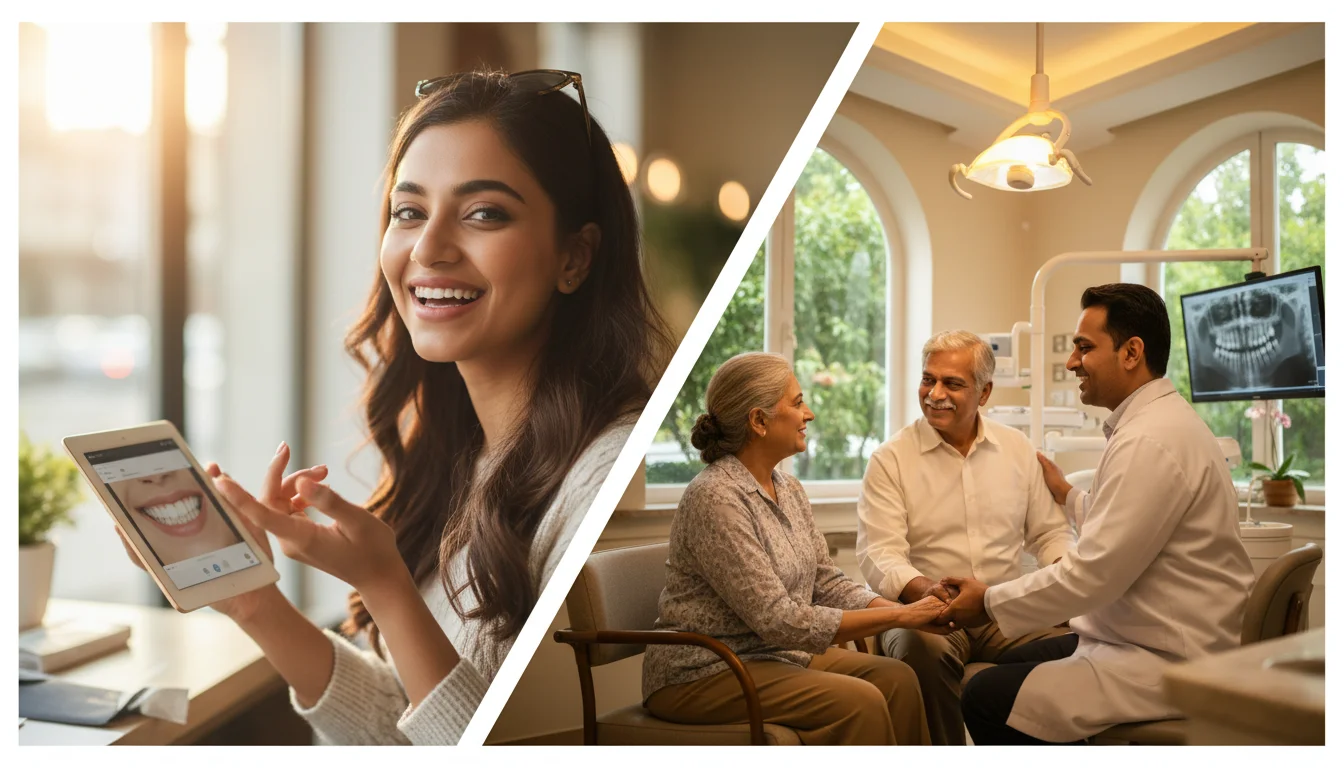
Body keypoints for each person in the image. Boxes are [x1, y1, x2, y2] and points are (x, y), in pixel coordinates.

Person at [117, 69, 673, 745]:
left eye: (483, 213)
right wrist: (254, 602)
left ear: (575, 257)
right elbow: (410, 728)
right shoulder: (464, 454)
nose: (429, 249)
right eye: (409, 212)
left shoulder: (602, 475)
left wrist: (386, 584)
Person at [939, 283, 1254, 744]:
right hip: (1141, 636)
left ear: (1131, 352)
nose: (1071, 362)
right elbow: (1125, 525)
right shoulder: (1153, 425)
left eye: (1084, 348)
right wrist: (1068, 494)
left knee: (984, 694)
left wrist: (986, 602)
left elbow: (1092, 575)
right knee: (1007, 664)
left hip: (1161, 656)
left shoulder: (1149, 441)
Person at [642, 352, 948, 746]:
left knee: (899, 679)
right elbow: (777, 619)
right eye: (798, 402)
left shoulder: (788, 488)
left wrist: (907, 611)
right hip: (705, 670)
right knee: (862, 701)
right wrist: (902, 618)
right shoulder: (715, 497)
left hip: (774, 656)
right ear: (758, 421)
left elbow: (826, 581)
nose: (810, 414)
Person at [855, 330, 1076, 745]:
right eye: (928, 379)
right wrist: (930, 594)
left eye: (952, 383)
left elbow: (1049, 534)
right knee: (921, 649)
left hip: (1001, 608)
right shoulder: (890, 459)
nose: (935, 393)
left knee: (1079, 643)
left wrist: (1064, 584)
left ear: (984, 392)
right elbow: (879, 553)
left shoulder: (1016, 449)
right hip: (925, 612)